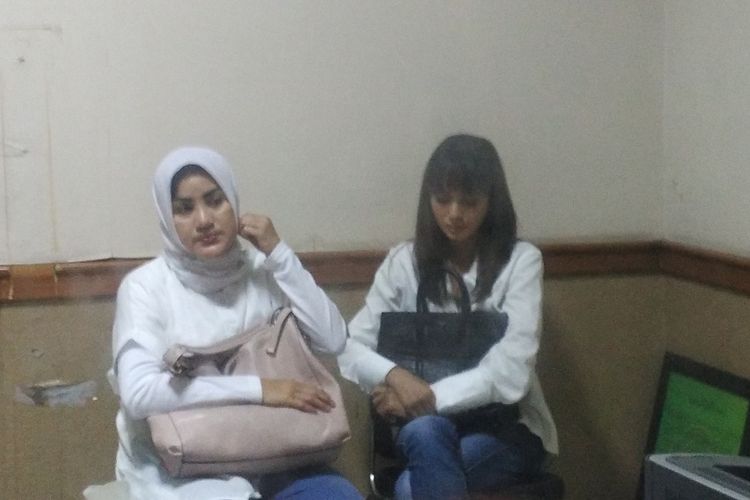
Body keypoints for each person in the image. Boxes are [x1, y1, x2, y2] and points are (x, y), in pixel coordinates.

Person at [109, 146, 363, 500]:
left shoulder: (262, 270)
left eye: (215, 201)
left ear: (234, 204)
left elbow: (333, 340)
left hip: (277, 451)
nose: (204, 220)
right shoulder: (146, 287)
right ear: (167, 218)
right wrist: (261, 389)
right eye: (184, 209)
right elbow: (139, 395)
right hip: (181, 467)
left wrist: (280, 254)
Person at [338, 134, 558, 500]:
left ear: (492, 202)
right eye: (442, 199)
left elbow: (511, 371)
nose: (454, 213)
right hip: (422, 429)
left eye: (469, 202)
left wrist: (424, 397)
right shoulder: (403, 263)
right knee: (425, 435)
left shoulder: (521, 261)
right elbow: (348, 345)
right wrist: (396, 377)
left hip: (505, 429)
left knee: (411, 486)